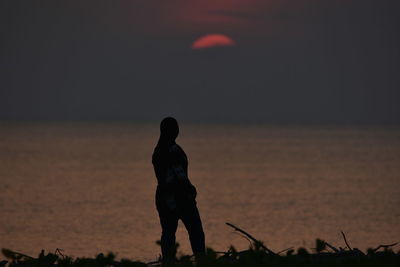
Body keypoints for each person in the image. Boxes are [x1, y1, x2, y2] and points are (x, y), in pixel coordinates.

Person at [152, 117, 205, 262]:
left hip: (167, 199)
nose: (176, 131)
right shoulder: (169, 151)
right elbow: (175, 177)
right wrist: (189, 190)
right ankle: (200, 262)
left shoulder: (161, 151)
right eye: (174, 129)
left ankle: (169, 262)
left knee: (170, 234)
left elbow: (174, 176)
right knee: (194, 232)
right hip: (178, 199)